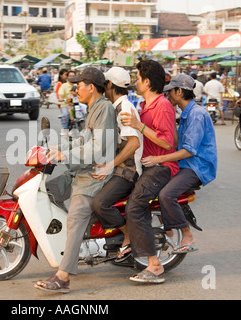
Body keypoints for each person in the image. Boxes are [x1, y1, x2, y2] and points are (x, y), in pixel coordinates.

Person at [34, 67, 118, 293]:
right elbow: (82, 141)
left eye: (79, 85)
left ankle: (63, 277)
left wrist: (65, 155)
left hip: (94, 176)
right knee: (49, 191)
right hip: (81, 171)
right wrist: (57, 148)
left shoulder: (105, 109)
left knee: (75, 217)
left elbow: (98, 147)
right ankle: (75, 244)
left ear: (91, 87)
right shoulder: (93, 108)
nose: (75, 90)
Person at [143, 74, 217, 254]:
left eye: (170, 92)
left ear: (179, 91)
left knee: (167, 194)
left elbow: (189, 150)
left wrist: (158, 159)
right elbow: (175, 142)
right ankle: (167, 230)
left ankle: (187, 234)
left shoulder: (197, 114)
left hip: (196, 166)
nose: (167, 96)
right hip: (184, 164)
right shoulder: (185, 113)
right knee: (154, 188)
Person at [119, 59, 179, 284]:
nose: (135, 82)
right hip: (147, 165)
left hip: (162, 167)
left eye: (137, 78)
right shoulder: (145, 105)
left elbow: (167, 142)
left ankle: (154, 265)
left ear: (146, 81)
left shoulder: (162, 106)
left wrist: (138, 125)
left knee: (134, 207)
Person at [92, 67, 143, 262]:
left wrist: (109, 165)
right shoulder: (115, 107)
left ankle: (128, 234)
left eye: (104, 84)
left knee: (100, 203)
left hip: (128, 171)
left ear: (110, 85)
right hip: (119, 167)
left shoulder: (124, 109)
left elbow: (133, 143)